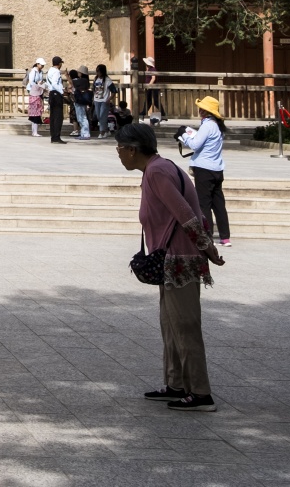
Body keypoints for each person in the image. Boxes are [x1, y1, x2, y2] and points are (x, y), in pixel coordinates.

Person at [117, 121, 223, 411]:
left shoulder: (159, 172)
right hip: (170, 259)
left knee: (185, 326)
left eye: (119, 148)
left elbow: (186, 214)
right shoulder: (155, 169)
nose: (117, 153)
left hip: (181, 259)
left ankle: (201, 394)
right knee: (171, 325)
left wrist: (208, 248)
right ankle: (176, 384)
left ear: (132, 150)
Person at [179, 95, 231, 246]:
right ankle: (225, 237)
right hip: (217, 169)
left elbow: (195, 145)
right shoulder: (218, 126)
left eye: (201, 108)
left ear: (205, 111)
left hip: (204, 169)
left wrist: (183, 135)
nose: (199, 110)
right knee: (219, 204)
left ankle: (207, 236)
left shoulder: (207, 125)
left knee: (204, 204)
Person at [46, 55, 68, 143]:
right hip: (56, 94)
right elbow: (55, 83)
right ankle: (56, 136)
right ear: (59, 64)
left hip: (51, 93)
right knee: (58, 116)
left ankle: (53, 136)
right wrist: (62, 91)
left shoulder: (49, 71)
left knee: (53, 116)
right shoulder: (56, 72)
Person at [92, 64, 115, 141]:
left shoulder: (108, 80)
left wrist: (109, 99)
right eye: (97, 71)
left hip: (104, 100)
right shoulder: (96, 79)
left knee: (102, 116)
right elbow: (93, 89)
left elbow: (114, 91)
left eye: (99, 71)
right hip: (96, 100)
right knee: (98, 116)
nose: (97, 73)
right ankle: (107, 130)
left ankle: (101, 132)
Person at [25, 58, 47, 135]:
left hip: (38, 91)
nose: (42, 66)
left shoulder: (41, 72)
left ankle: (35, 131)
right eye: (41, 64)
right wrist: (38, 84)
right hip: (33, 92)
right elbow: (31, 82)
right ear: (37, 64)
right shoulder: (33, 71)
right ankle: (34, 131)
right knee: (35, 110)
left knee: (37, 110)